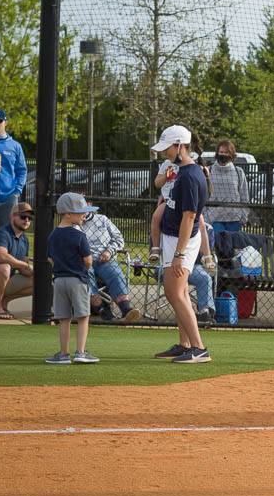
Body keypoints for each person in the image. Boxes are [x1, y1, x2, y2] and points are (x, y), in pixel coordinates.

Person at [151, 124, 211, 364]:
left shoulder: (189, 176)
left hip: (180, 239)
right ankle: (186, 344)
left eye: (168, 147)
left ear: (180, 146)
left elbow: (190, 217)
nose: (165, 152)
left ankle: (199, 347)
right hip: (174, 235)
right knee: (181, 291)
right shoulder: (181, 170)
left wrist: (179, 253)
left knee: (173, 291)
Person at [44, 193, 100, 365]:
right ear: (68, 213)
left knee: (64, 318)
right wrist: (82, 269)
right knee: (83, 316)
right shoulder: (79, 236)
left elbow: (49, 258)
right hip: (78, 280)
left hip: (59, 281)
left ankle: (63, 354)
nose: (84, 215)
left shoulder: (53, 235)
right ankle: (81, 352)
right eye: (81, 212)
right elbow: (88, 261)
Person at [150, 134, 214, 271]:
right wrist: (167, 177)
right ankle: (155, 248)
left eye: (167, 148)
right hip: (169, 201)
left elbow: (191, 213)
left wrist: (205, 172)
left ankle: (207, 255)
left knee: (201, 225)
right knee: (156, 217)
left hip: (186, 205)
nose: (164, 153)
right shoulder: (168, 164)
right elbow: (157, 183)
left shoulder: (191, 168)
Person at [81, 204, 141, 322]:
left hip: (104, 259)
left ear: (89, 204)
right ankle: (102, 309)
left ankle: (126, 309)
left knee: (114, 273)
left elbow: (119, 238)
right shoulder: (73, 224)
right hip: (84, 261)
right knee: (86, 274)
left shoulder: (102, 219)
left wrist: (109, 251)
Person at [0, 201, 34, 319]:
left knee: (39, 281)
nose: (27, 220)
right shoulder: (2, 233)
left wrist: (34, 270)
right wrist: (25, 265)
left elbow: (22, 268)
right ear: (12, 216)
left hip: (1, 281)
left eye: (30, 218)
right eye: (23, 216)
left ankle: (3, 303)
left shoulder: (24, 240)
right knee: (4, 267)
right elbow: (0, 256)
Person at [0, 108, 28, 231]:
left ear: (5, 122)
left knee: (8, 234)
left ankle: (3, 251)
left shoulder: (15, 146)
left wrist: (17, 191)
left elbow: (22, 170)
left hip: (9, 198)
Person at [206, 139, 249, 233]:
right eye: (221, 152)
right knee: (218, 245)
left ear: (231, 154)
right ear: (217, 153)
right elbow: (204, 195)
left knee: (232, 245)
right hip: (214, 218)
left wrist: (244, 216)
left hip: (234, 218)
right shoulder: (209, 171)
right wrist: (205, 216)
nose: (223, 154)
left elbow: (244, 195)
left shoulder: (238, 172)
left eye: (226, 152)